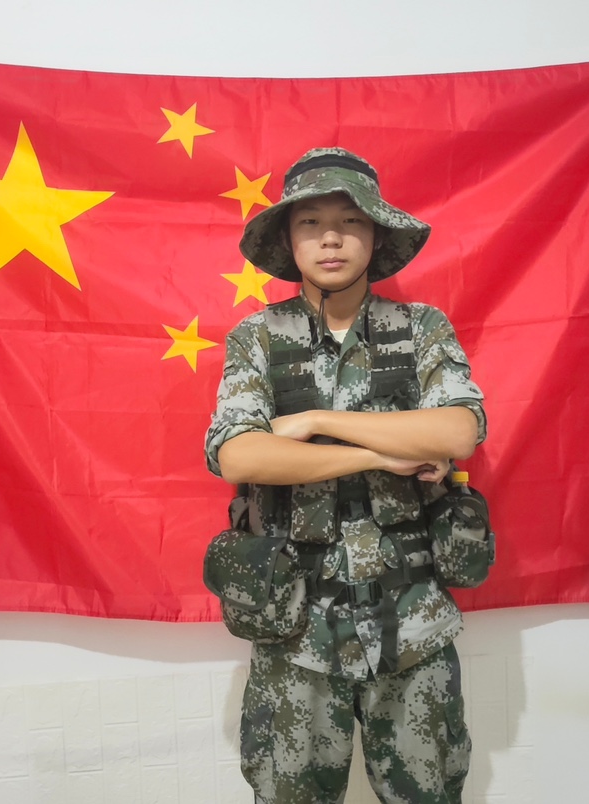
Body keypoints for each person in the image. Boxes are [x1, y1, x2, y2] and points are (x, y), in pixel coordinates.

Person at [204, 147, 487, 803]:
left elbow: (458, 432)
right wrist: (381, 453)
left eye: (350, 221)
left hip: (412, 624)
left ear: (376, 235)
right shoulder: (257, 337)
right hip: (294, 630)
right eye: (310, 222)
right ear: (288, 239)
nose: (330, 238)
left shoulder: (420, 328)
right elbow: (238, 456)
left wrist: (314, 421)